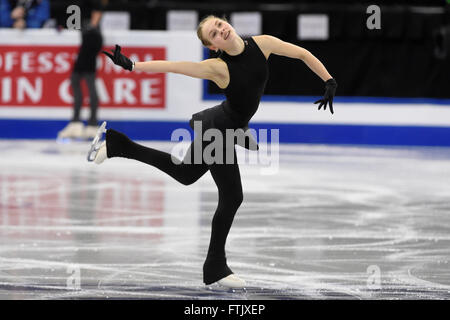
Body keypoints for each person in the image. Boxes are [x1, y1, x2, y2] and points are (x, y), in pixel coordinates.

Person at [90, 15, 337, 288]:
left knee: (185, 173)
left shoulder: (262, 44)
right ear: (213, 46)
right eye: (215, 33)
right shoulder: (217, 68)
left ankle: (118, 145)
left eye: (220, 24)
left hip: (228, 125)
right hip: (218, 131)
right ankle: (215, 266)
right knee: (232, 196)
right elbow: (176, 66)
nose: (222, 30)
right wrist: (134, 65)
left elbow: (301, 53)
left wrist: (328, 80)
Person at [57, 0, 107, 140]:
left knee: (84, 78)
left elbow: (98, 7)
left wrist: (92, 26)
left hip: (92, 37)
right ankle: (79, 123)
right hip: (88, 37)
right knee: (78, 78)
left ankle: (89, 124)